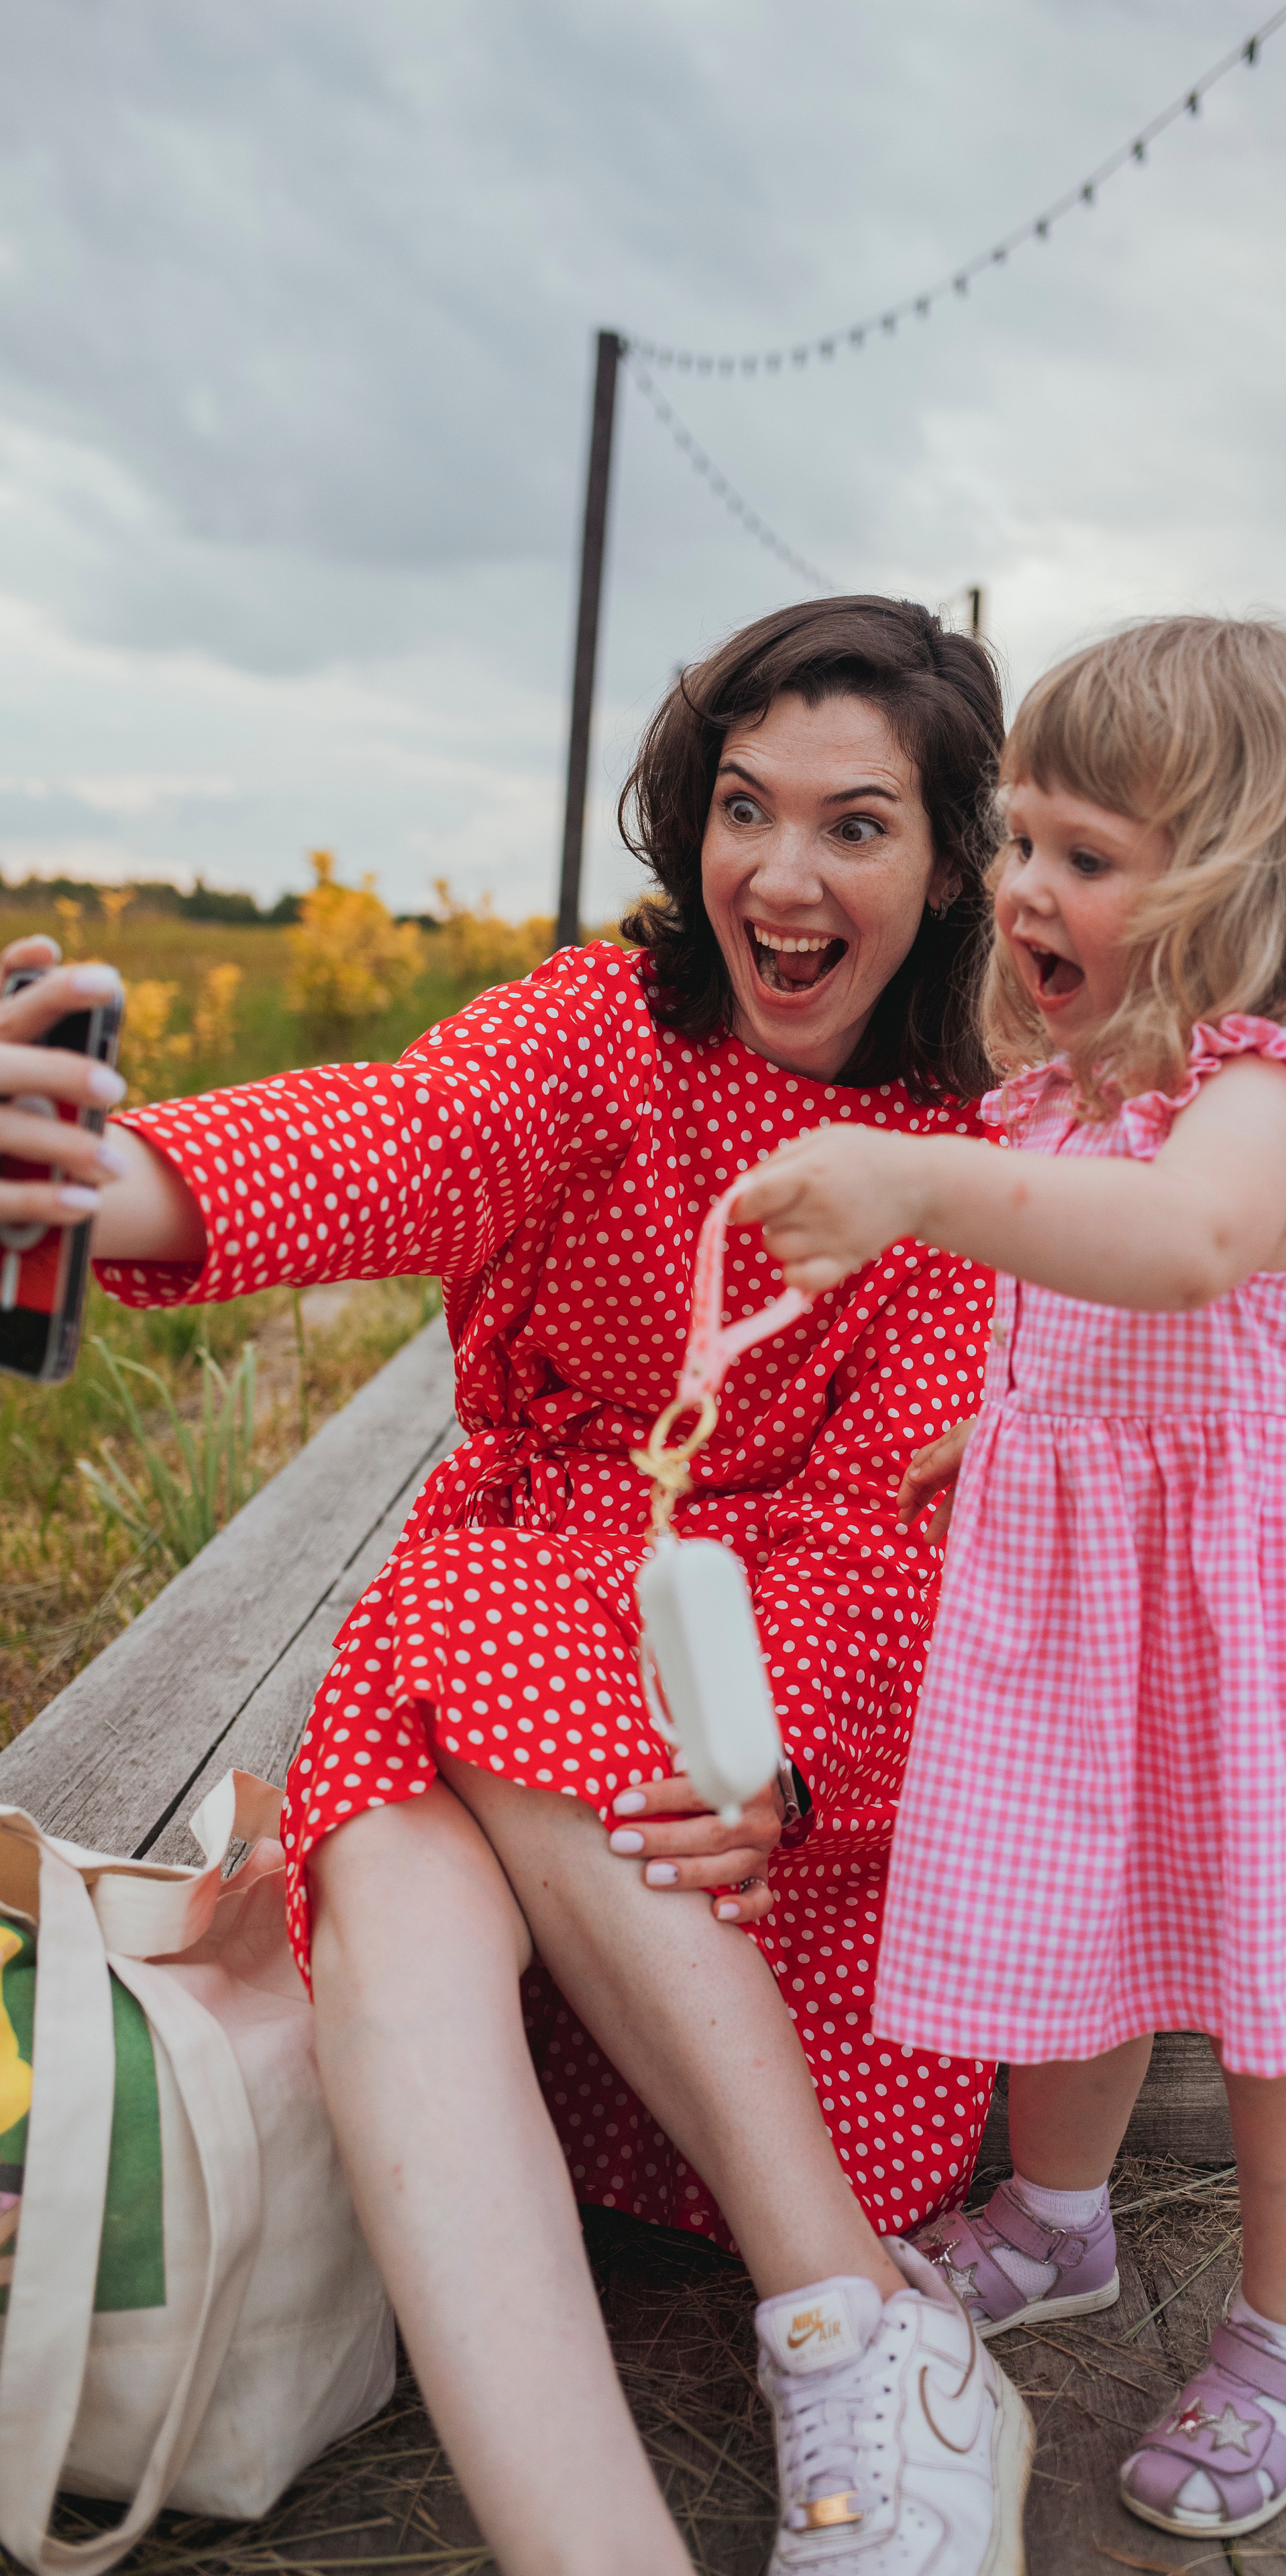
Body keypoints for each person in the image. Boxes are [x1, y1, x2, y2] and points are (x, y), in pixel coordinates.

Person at [0, 597, 1034, 2576]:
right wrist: (96, 1180)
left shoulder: (964, 1155)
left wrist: (781, 1765)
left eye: (857, 825)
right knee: (405, 1802)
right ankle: (712, 2457)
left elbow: (889, 1545)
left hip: (749, 1823)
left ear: (949, 866)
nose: (782, 875)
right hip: (526, 1748)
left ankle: (847, 2302)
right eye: (745, 807)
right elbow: (393, 1138)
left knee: (447, 1654)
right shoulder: (602, 1030)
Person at [734, 614, 1286, 2546]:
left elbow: (1181, 1249)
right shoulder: (1084, 1093)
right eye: (1018, 841)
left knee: (1277, 2000)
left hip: (1249, 1629)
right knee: (1069, 1930)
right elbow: (1095, 1318)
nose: (1021, 888)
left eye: (1084, 855)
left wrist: (918, 1186)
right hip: (1090, 1607)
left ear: (1244, 886)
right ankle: (1059, 2217)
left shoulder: (1268, 1094)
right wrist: (1002, 1431)